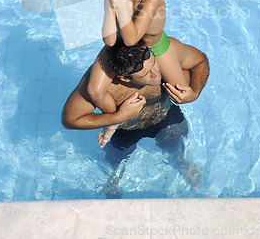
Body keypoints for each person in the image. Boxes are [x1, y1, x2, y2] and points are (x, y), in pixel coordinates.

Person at [62, 37, 209, 197]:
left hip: (165, 115)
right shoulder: (107, 87)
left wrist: (194, 92)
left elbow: (200, 61)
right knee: (116, 160)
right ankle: (113, 177)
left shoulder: (165, 54)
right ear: (124, 78)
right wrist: (118, 117)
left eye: (153, 64)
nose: (155, 75)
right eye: (146, 74)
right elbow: (70, 120)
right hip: (125, 129)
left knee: (175, 143)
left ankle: (180, 161)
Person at [87, 0, 194, 117]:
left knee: (180, 93)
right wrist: (110, 5)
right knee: (94, 92)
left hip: (154, 46)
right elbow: (109, 40)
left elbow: (132, 39)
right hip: (121, 48)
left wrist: (120, 5)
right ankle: (118, 119)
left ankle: (182, 67)